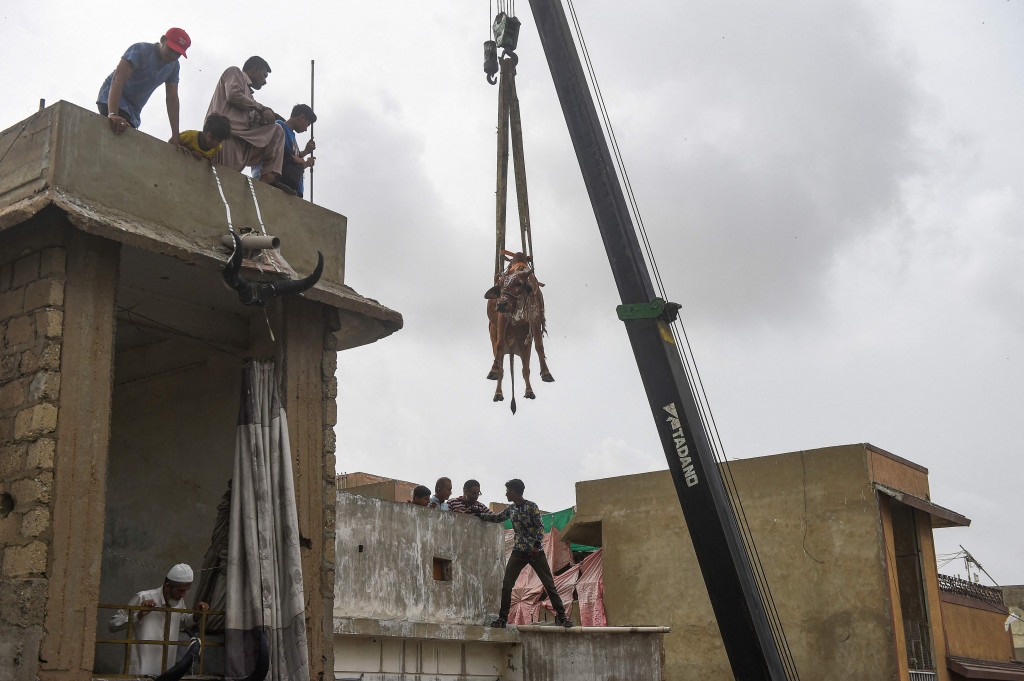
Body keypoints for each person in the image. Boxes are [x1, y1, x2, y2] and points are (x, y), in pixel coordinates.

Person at [477, 479, 572, 628]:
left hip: (536, 552)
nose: (506, 493)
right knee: (507, 585)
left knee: (549, 584)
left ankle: (561, 617)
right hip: (519, 551)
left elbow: (540, 527)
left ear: (514, 491)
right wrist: (481, 515)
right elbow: (498, 518)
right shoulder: (511, 509)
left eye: (508, 490)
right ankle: (502, 619)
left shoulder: (531, 506)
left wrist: (536, 545)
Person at [108, 563, 211, 675]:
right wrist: (139, 615)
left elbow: (182, 622)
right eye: (181, 591)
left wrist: (196, 615)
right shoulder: (143, 597)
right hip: (139, 671)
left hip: (165, 671)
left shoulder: (178, 601)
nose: (184, 595)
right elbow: (112, 625)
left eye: (186, 590)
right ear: (167, 586)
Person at [206, 56, 288, 191]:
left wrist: (265, 119)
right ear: (255, 70)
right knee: (220, 183)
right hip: (224, 135)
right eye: (264, 75)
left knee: (277, 130)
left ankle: (268, 179)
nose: (265, 81)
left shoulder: (250, 97)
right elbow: (233, 95)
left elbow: (253, 119)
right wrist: (262, 108)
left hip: (242, 140)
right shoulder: (235, 72)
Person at [97, 28, 190, 145]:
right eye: (170, 49)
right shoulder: (139, 50)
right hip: (111, 98)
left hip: (133, 111)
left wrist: (176, 136)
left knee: (125, 142)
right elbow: (118, 79)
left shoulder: (174, 66)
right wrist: (113, 113)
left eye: (177, 54)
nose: (172, 56)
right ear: (163, 40)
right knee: (117, 133)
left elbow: (172, 98)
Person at [253, 105, 316, 197]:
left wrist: (306, 151)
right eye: (308, 123)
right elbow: (284, 157)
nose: (306, 129)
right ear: (301, 117)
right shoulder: (280, 126)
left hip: (291, 189)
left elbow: (291, 158)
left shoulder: (292, 136)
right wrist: (303, 162)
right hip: (273, 185)